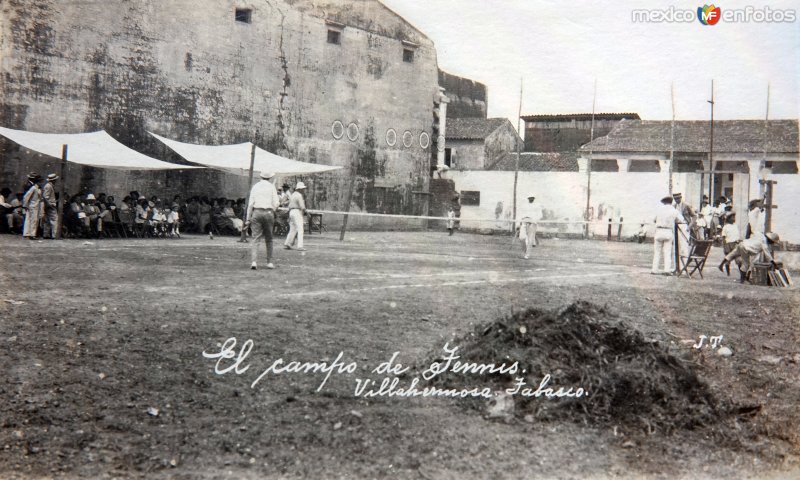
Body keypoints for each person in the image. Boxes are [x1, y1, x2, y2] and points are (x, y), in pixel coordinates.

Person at [246, 171, 279, 270]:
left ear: (261, 176)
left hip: (257, 212)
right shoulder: (271, 187)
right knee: (269, 239)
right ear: (270, 178)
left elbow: (250, 204)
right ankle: (269, 262)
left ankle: (254, 262)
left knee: (255, 238)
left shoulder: (255, 186)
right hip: (268, 212)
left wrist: (248, 218)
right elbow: (276, 203)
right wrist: (273, 210)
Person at [652, 195, 685, 275]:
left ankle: (654, 269)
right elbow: (681, 220)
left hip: (659, 231)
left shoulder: (659, 210)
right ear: (671, 202)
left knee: (657, 252)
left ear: (664, 202)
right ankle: (667, 270)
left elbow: (654, 220)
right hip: (668, 231)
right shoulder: (674, 210)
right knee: (667, 251)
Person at [517, 194, 542, 259]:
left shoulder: (537, 205)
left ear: (534, 198)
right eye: (530, 197)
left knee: (530, 240)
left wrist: (534, 220)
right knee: (521, 238)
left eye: (532, 197)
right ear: (528, 198)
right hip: (524, 221)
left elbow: (540, 215)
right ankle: (525, 252)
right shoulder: (524, 205)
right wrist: (518, 223)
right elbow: (520, 214)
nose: (531, 199)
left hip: (532, 222)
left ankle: (527, 254)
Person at [284, 181, 307, 251]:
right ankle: (300, 246)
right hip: (297, 211)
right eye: (302, 189)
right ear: (299, 189)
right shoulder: (299, 196)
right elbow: (302, 207)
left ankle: (287, 243)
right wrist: (305, 213)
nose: (303, 190)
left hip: (291, 212)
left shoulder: (293, 194)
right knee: (300, 229)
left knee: (292, 228)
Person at [22, 173, 44, 240]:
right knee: (33, 220)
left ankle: (28, 234)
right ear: (37, 182)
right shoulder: (33, 188)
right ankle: (32, 234)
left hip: (35, 206)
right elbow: (26, 197)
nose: (41, 183)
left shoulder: (38, 189)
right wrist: (25, 205)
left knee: (31, 220)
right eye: (40, 182)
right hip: (33, 206)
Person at [40, 173, 59, 239]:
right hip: (50, 205)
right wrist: (49, 204)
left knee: (47, 220)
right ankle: (54, 235)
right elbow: (45, 197)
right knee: (54, 219)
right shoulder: (48, 186)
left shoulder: (49, 186)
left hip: (48, 205)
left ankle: (46, 234)